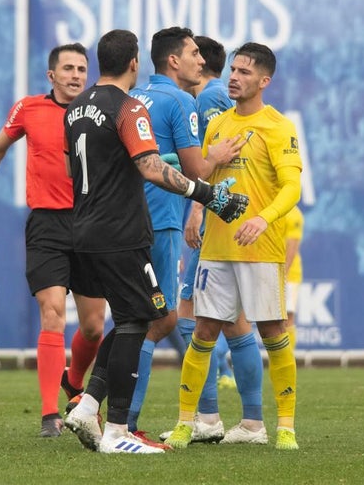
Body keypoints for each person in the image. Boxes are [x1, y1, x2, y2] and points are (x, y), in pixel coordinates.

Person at [61, 28, 248, 454]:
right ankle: (119, 431)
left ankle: (88, 406)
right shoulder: (128, 108)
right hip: (121, 230)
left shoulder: (76, 109)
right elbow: (148, 167)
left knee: (139, 317)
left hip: (85, 226)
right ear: (133, 64)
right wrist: (207, 194)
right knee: (137, 322)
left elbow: (89, 166)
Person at [0, 43, 107, 438]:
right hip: (47, 227)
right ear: (51, 75)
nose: (76, 75)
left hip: (92, 225)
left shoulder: (100, 112)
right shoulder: (29, 109)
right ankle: (48, 415)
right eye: (68, 68)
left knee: (93, 327)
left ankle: (74, 383)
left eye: (81, 68)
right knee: (52, 311)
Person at [165, 41, 302, 452]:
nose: (234, 77)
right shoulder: (219, 123)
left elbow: (293, 186)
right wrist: (194, 212)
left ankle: (285, 427)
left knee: (274, 332)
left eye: (244, 72)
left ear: (264, 81)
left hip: (260, 248)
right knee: (203, 331)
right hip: (216, 249)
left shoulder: (278, 126)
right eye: (234, 70)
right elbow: (206, 179)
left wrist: (263, 218)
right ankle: (187, 423)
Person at [124, 27, 243, 442]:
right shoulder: (182, 100)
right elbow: (197, 171)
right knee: (160, 320)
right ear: (173, 60)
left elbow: (143, 157)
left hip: (124, 219)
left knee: (137, 318)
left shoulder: (135, 98)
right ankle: (122, 418)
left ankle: (102, 409)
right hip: (160, 218)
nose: (202, 62)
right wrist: (219, 156)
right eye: (193, 53)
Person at [282, 204, 305, 348]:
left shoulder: (293, 213)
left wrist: (283, 272)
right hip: (270, 270)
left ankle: (289, 358)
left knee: (287, 316)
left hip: (289, 275)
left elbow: (293, 245)